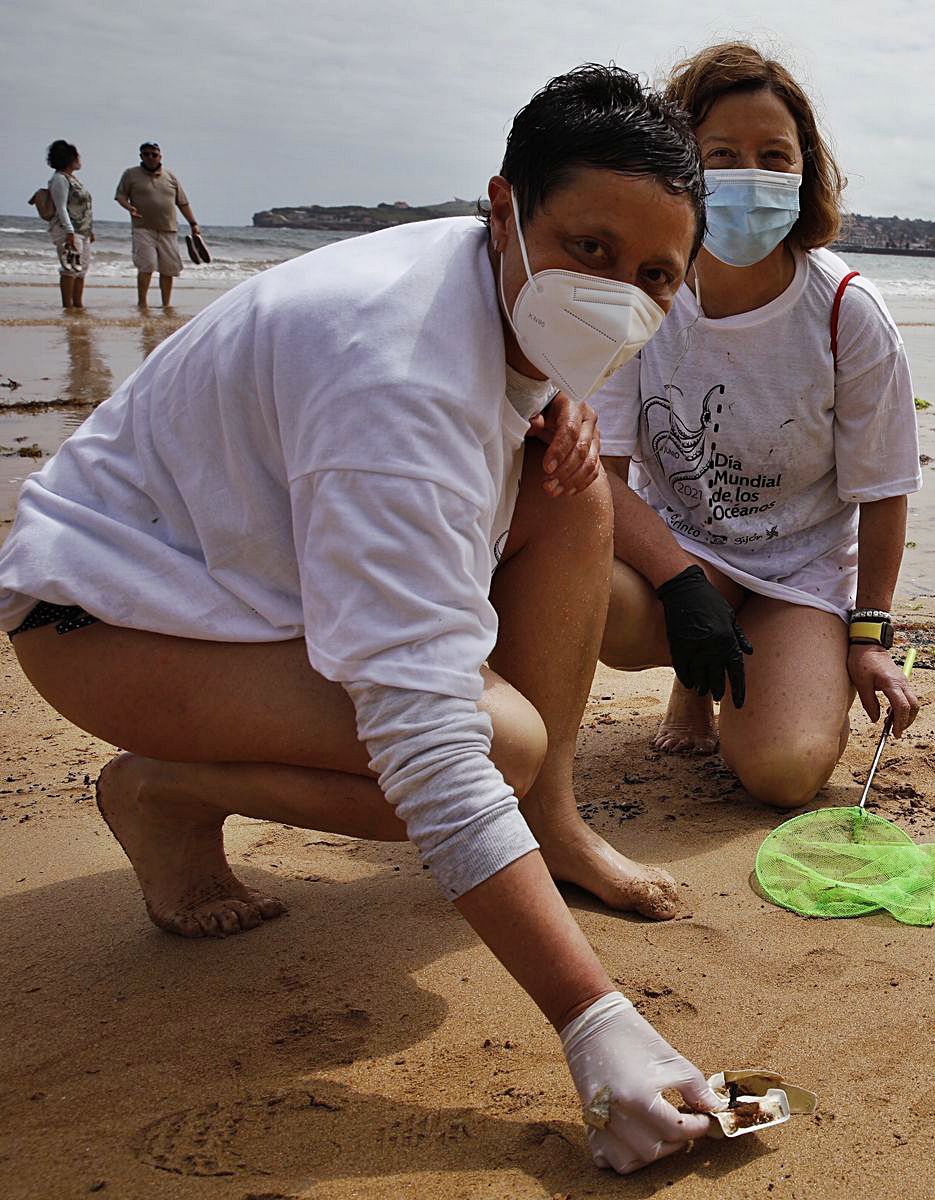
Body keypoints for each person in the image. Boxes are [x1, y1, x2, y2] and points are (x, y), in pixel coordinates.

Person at [1, 66, 720, 1175]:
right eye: (588, 250)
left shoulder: (491, 291)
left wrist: (556, 399)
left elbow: (502, 390)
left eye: (654, 275)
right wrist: (592, 1017)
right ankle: (162, 787)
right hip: (102, 618)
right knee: (494, 747)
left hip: (254, 584)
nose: (618, 293)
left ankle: (552, 823)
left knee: (574, 492)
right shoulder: (393, 378)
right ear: (502, 211)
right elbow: (425, 737)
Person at [594, 41, 921, 809]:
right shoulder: (642, 297)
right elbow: (600, 479)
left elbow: (884, 490)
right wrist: (679, 585)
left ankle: (765, 672)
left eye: (774, 156)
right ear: (679, 166)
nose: (751, 176)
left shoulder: (846, 313)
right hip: (678, 556)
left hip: (798, 575)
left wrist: (869, 641)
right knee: (558, 574)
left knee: (783, 773)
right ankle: (690, 679)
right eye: (721, 154)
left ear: (805, 170)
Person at [114, 141, 202, 308]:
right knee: (146, 265)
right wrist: (129, 207)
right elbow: (120, 196)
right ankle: (142, 303)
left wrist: (193, 223)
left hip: (168, 229)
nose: (150, 157)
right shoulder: (131, 174)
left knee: (168, 269)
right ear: (141, 156)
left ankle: (166, 304)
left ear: (160, 156)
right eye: (146, 154)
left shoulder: (170, 176)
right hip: (142, 228)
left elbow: (182, 203)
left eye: (154, 154)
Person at [43, 140, 94, 310]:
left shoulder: (72, 179)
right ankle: (68, 306)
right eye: (76, 156)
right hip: (68, 230)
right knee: (70, 268)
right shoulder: (60, 179)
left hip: (82, 230)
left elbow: (82, 207)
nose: (79, 159)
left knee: (81, 269)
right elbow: (61, 207)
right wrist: (69, 231)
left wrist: (89, 229)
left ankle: (77, 304)